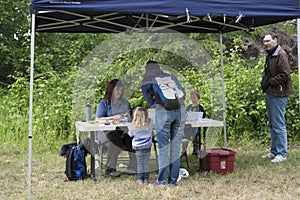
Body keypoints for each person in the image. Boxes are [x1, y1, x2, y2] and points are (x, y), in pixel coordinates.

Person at [141, 60, 186, 186]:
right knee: (176, 147)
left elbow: (151, 103)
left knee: (163, 148)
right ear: (159, 67)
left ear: (146, 69)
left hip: (164, 113)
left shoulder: (146, 82)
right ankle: (172, 181)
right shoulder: (170, 77)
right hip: (181, 112)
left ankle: (161, 181)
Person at [261, 33, 293, 163]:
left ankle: (282, 154)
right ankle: (274, 151)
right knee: (272, 124)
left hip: (279, 94)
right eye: (264, 42)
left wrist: (271, 82)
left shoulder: (281, 54)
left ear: (275, 40)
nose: (266, 44)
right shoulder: (271, 54)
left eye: (268, 41)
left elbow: (285, 74)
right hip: (271, 93)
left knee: (278, 124)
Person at [95, 79, 136, 176]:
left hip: (122, 130)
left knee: (131, 138)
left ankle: (134, 167)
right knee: (115, 139)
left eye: (121, 90)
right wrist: (114, 118)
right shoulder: (104, 103)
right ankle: (110, 169)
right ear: (111, 90)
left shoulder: (125, 103)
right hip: (106, 132)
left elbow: (130, 116)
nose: (119, 92)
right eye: (117, 90)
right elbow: (98, 119)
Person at [128, 107, 154, 185]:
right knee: (146, 163)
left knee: (139, 163)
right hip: (147, 146)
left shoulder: (133, 126)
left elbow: (130, 134)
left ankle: (140, 179)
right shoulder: (150, 122)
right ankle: (146, 179)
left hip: (138, 147)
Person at [182, 89, 206, 157]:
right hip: (188, 127)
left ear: (198, 98)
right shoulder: (189, 107)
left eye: (194, 97)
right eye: (191, 97)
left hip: (196, 128)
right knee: (185, 139)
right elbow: (185, 114)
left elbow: (203, 114)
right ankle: (184, 151)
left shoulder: (200, 107)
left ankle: (196, 152)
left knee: (196, 140)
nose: (192, 99)